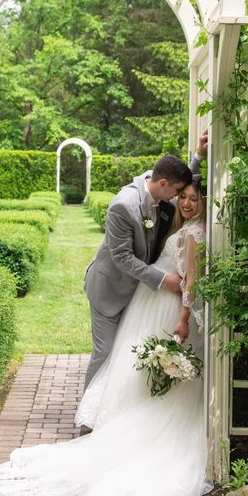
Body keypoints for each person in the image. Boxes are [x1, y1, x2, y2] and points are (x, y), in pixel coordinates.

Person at [0, 177, 211, 496]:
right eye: (181, 196)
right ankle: (98, 421)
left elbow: (192, 281)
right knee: (116, 357)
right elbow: (123, 256)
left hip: (168, 309)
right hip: (140, 297)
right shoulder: (132, 206)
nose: (184, 202)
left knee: (135, 362)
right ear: (170, 189)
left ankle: (112, 422)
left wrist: (183, 318)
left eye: (193, 198)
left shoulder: (193, 231)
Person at [82, 135, 207, 397]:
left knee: (125, 351)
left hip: (139, 290)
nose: (179, 200)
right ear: (163, 185)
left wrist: (197, 157)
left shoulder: (160, 190)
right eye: (176, 193)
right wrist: (163, 280)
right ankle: (88, 415)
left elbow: (184, 187)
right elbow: (122, 258)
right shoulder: (123, 206)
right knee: (105, 352)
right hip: (110, 288)